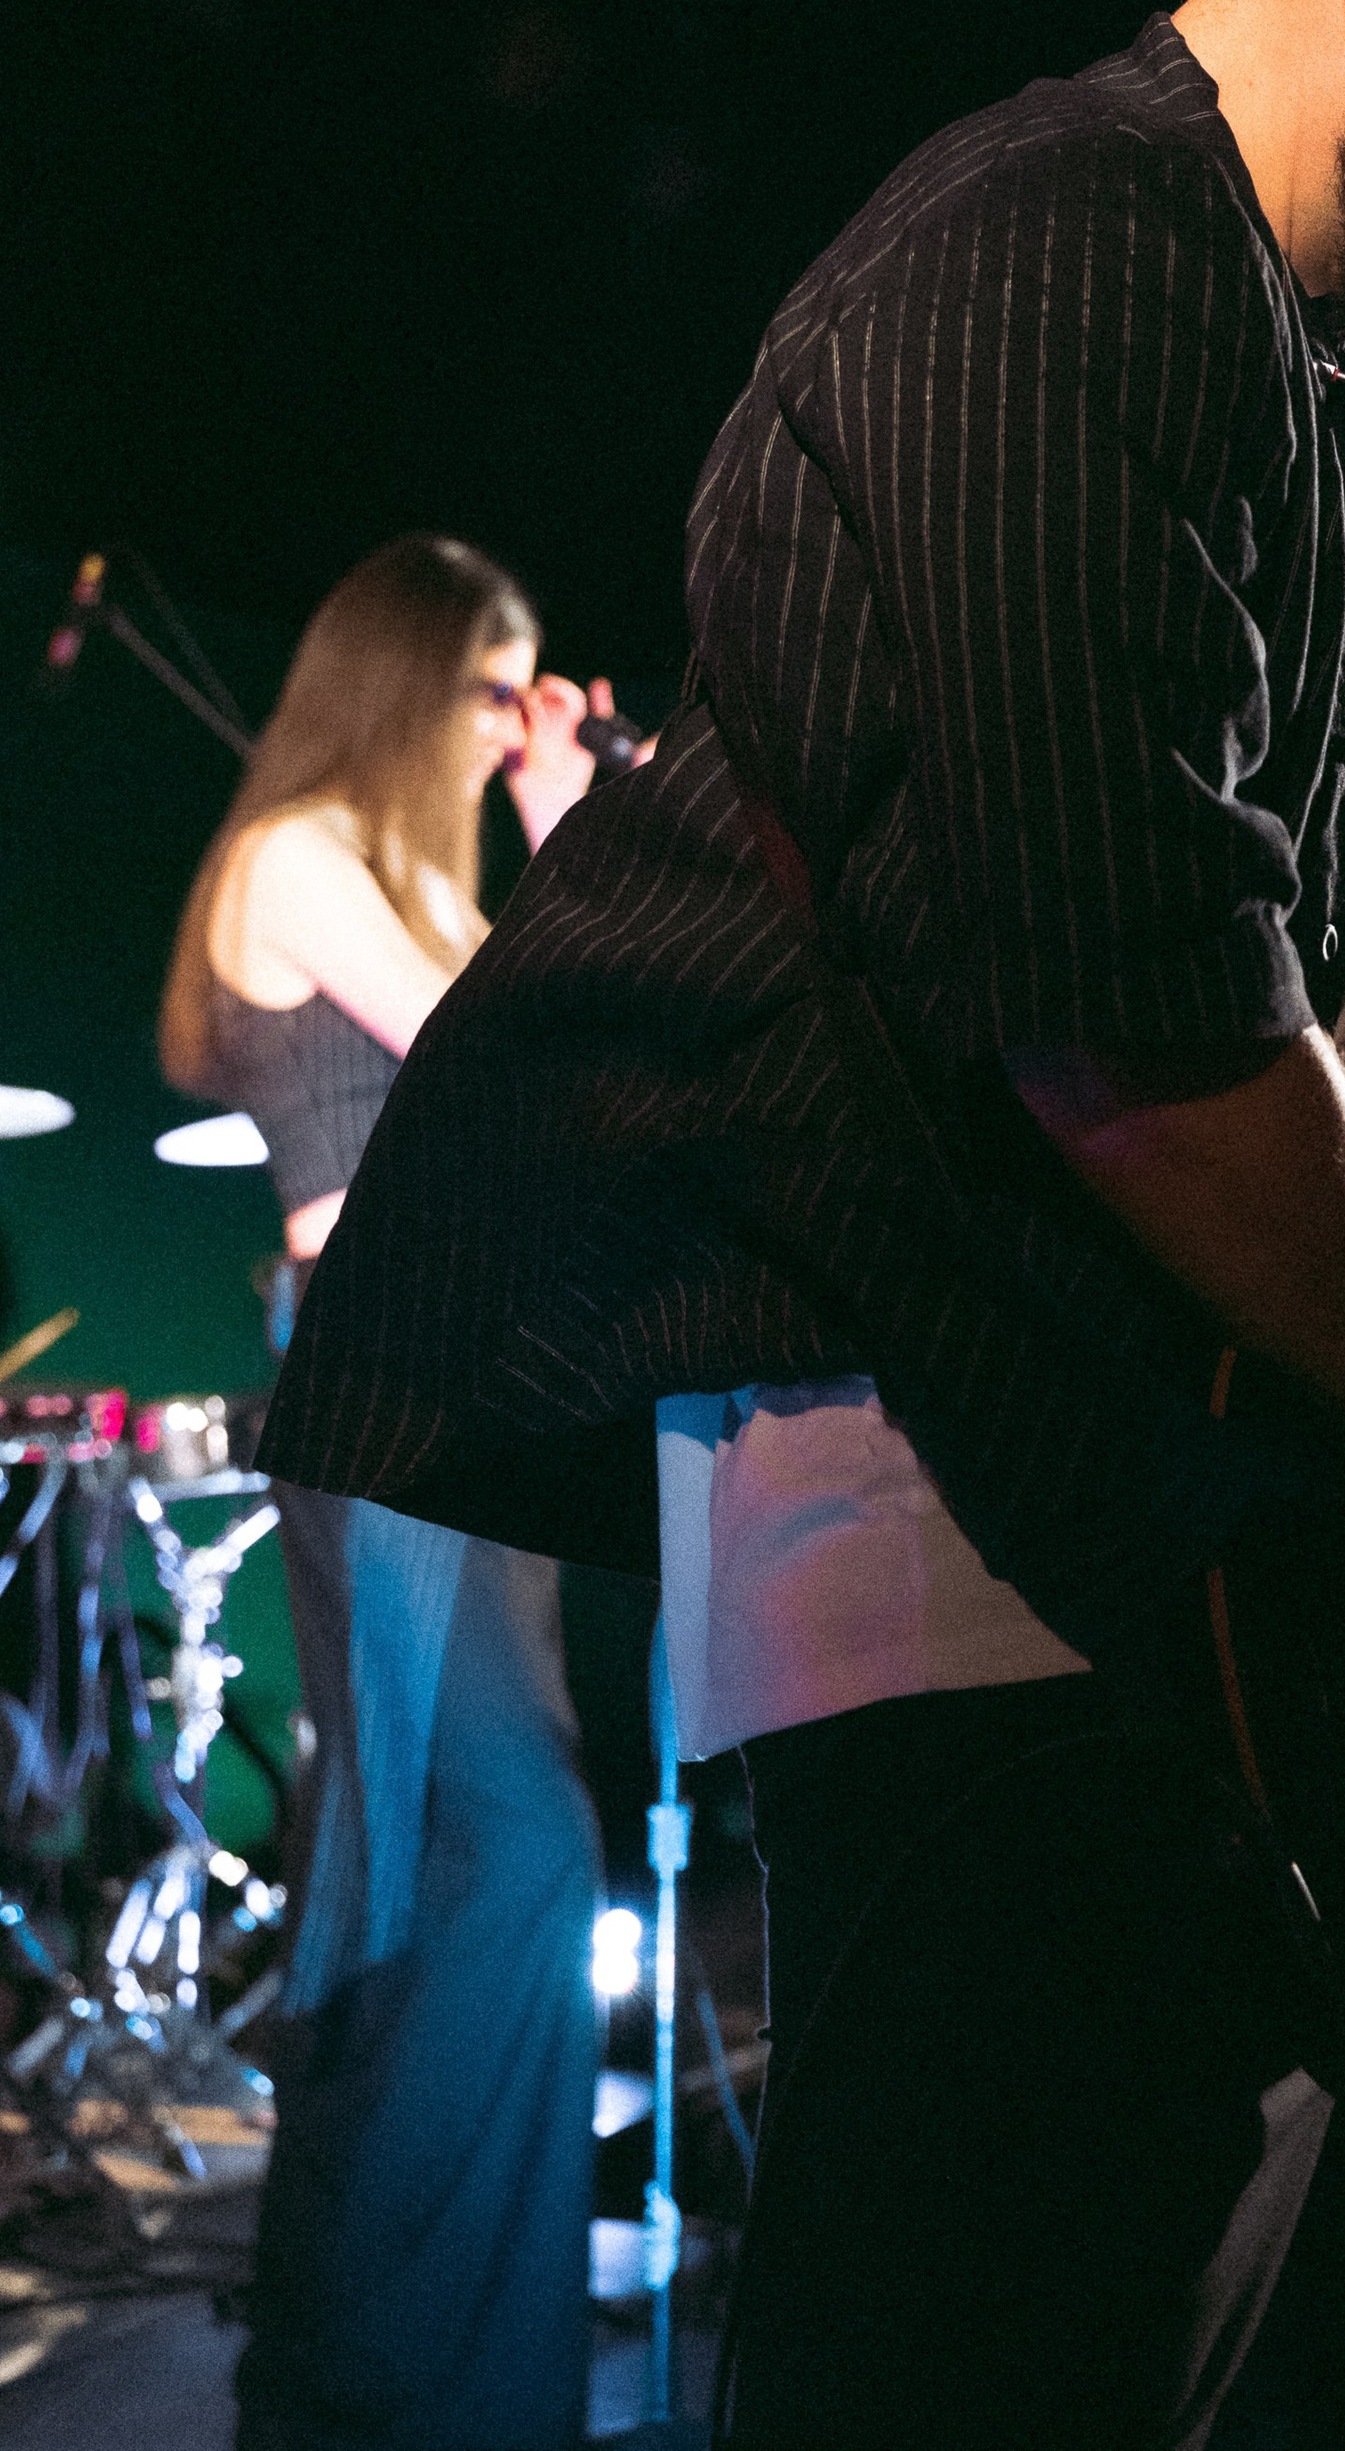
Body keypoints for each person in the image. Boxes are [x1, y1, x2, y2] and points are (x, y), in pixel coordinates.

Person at [258, 0, 1345, 2451]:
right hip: (1033, 1634)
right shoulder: (1056, 249)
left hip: (1211, 1611)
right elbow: (1132, 1027)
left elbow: (1284, 997)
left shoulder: (1270, 368)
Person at [160, 535, 615, 2451]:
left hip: (453, 1381)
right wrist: (572, 821)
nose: (507, 721)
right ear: (415, 676)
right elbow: (499, 1064)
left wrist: (550, 818)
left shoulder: (390, 875)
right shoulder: (296, 858)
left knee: (439, 1865)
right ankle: (388, 2372)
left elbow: (539, 1047)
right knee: (490, 1855)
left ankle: (399, 2373)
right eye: (491, 686)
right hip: (393, 1372)